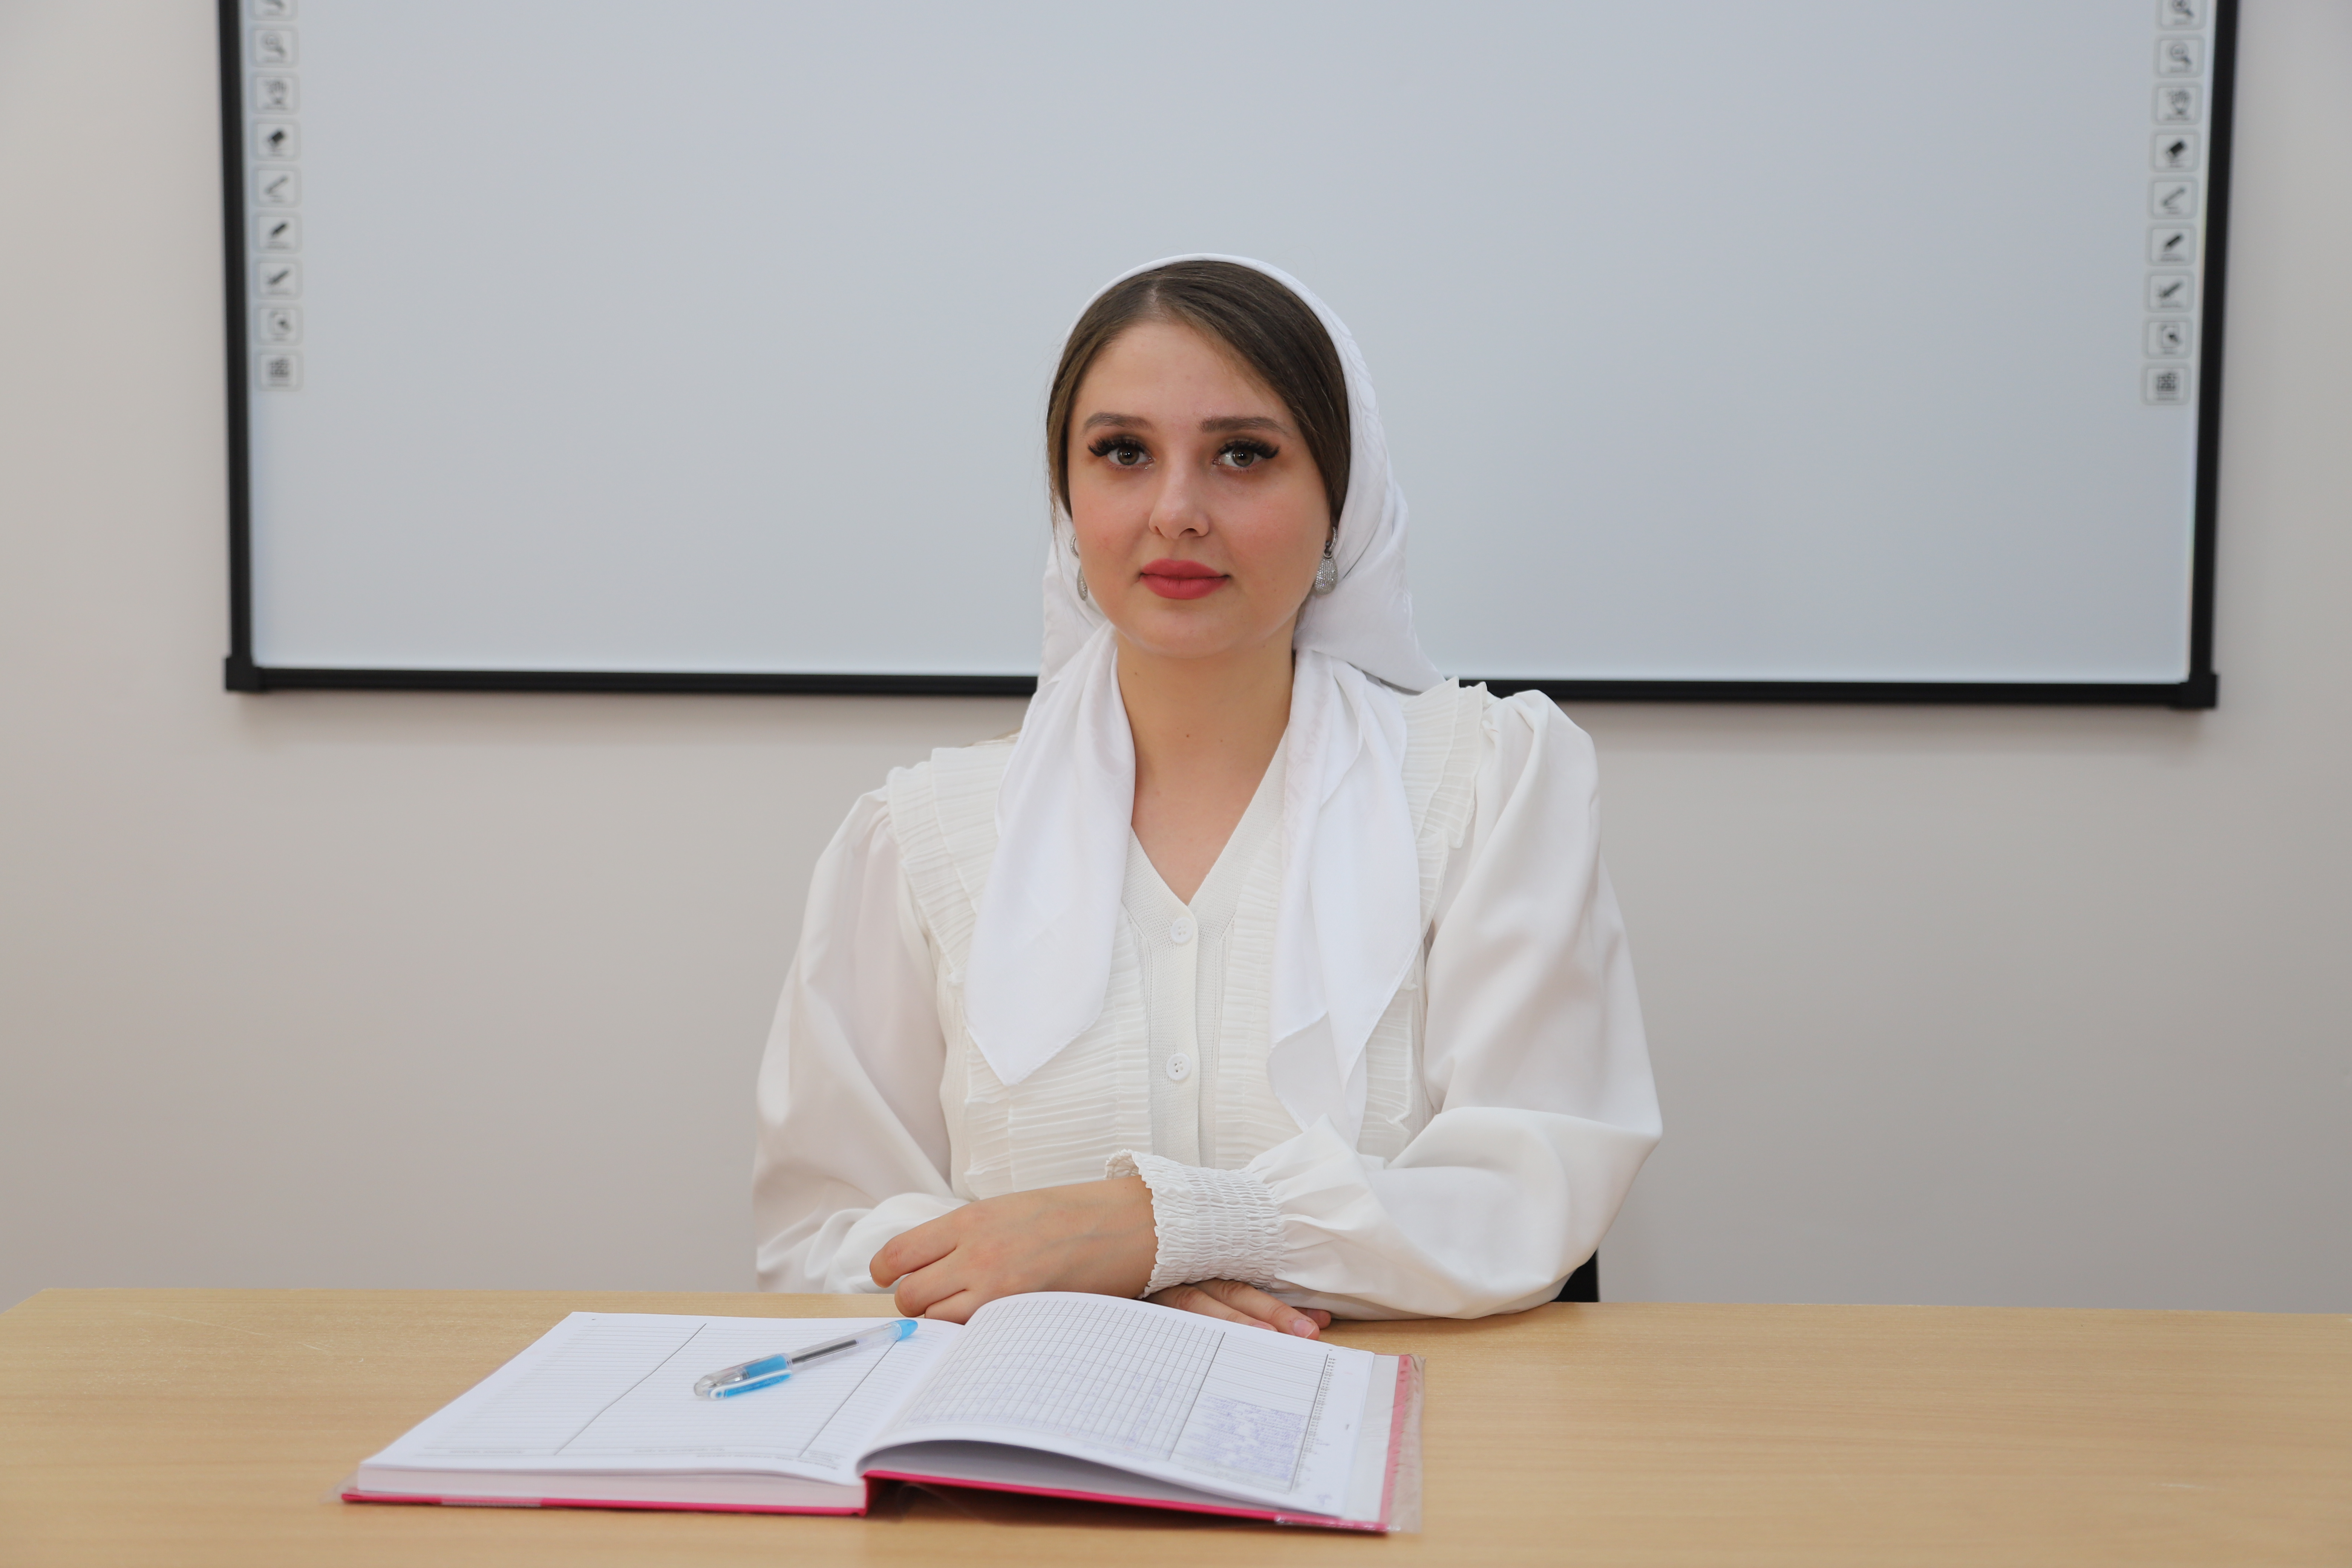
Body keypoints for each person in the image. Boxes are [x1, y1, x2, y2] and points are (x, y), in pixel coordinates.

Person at [754, 256, 1659, 1335]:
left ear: (1342, 501)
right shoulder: (920, 838)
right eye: (1123, 453)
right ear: (1067, 499)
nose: (1177, 511)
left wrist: (1162, 1229)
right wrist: (1127, 1292)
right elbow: (826, 1239)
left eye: (1243, 454)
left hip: (1418, 1422)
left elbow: (1526, 1188)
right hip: (1030, 1431)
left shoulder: (1489, 783)